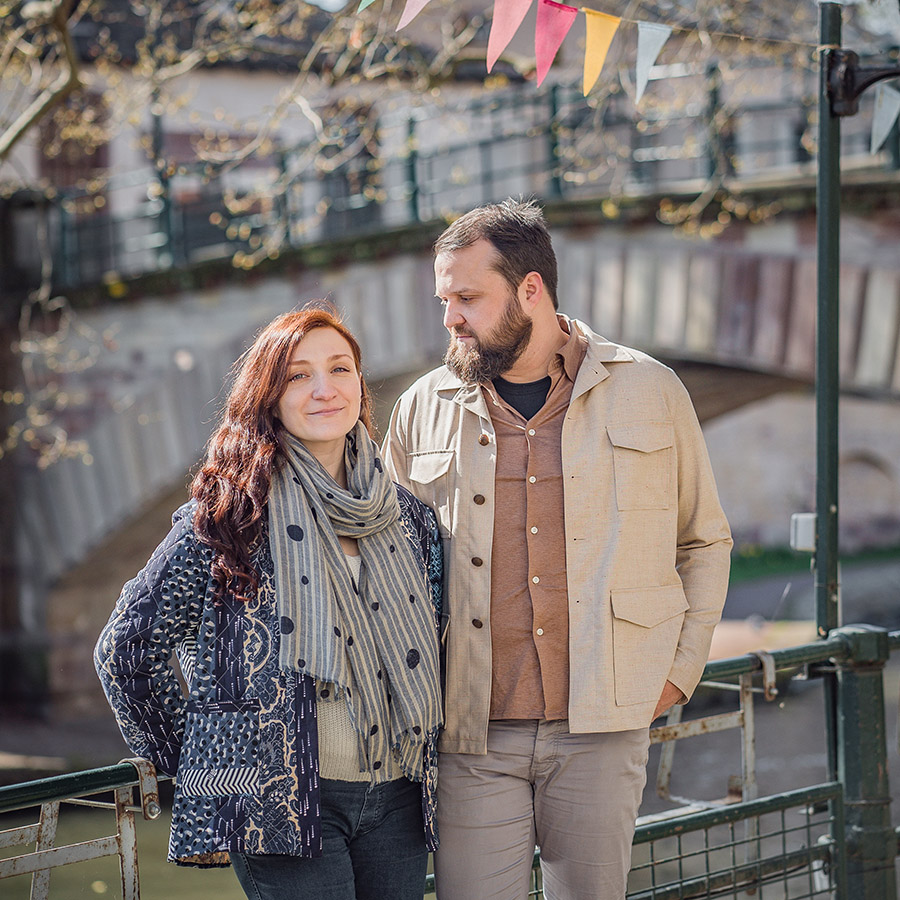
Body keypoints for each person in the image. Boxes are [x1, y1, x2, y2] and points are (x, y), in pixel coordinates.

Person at [381, 199, 732, 900]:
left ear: (531, 289)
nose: (450, 316)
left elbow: (703, 539)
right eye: (444, 298)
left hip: (603, 726)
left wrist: (678, 674)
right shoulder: (422, 404)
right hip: (470, 736)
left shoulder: (651, 389)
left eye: (468, 297)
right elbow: (387, 569)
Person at [95, 306, 443, 900]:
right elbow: (126, 649)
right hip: (278, 803)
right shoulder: (228, 521)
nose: (325, 389)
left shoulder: (408, 519)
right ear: (268, 396)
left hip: (402, 795)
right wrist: (208, 764)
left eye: (340, 368)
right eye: (298, 375)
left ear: (361, 383)